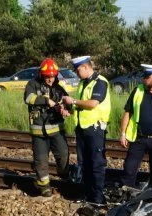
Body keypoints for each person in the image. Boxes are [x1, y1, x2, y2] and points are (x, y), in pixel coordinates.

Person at [62, 55, 111, 206]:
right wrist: (71, 109)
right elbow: (82, 105)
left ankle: (97, 198)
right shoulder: (83, 83)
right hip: (82, 129)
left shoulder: (100, 82)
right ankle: (87, 195)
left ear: (85, 67)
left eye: (77, 70)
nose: (76, 73)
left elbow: (93, 103)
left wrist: (74, 101)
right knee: (84, 164)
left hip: (95, 129)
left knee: (96, 164)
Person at [24, 58, 71, 197]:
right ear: (41, 74)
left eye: (52, 76)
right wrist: (46, 101)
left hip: (56, 130)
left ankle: (64, 176)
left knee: (63, 156)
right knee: (41, 161)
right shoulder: (32, 84)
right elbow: (28, 98)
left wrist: (65, 109)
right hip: (39, 131)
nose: (50, 79)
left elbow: (68, 104)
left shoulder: (59, 88)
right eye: (47, 76)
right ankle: (44, 187)